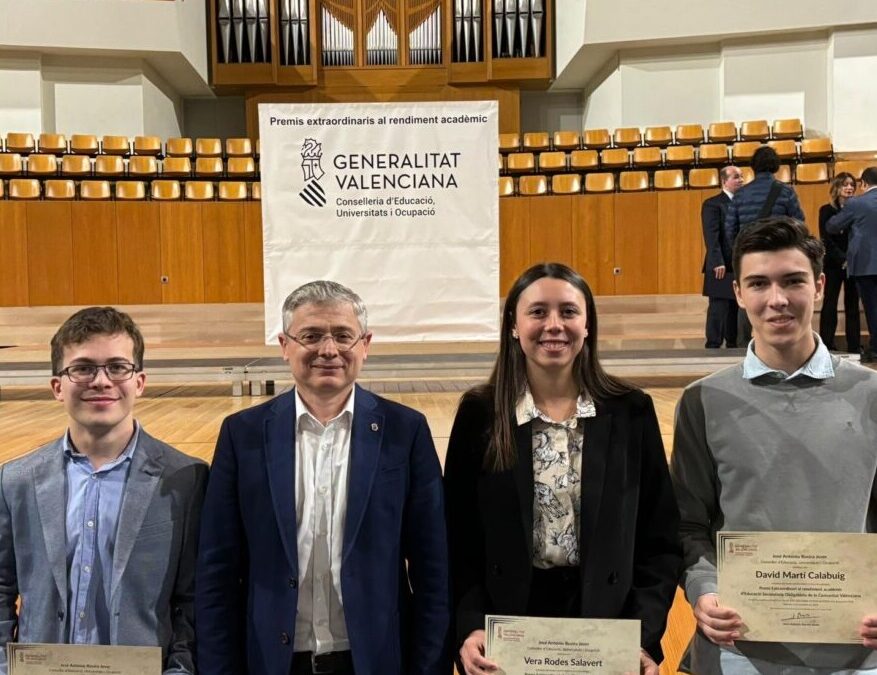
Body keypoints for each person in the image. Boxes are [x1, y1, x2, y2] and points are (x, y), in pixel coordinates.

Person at [195, 280, 450, 675]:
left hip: (374, 661)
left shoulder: (406, 432)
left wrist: (429, 665)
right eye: (311, 336)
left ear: (364, 345)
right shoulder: (241, 435)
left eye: (343, 336)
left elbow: (433, 568)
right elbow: (216, 570)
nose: (328, 350)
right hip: (271, 661)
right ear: (285, 345)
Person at [444, 262, 681, 675]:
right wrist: (469, 627)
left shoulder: (631, 411)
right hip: (507, 629)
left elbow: (658, 541)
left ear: (587, 324)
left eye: (568, 312)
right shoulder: (480, 414)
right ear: (514, 326)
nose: (554, 325)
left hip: (607, 624)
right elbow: (458, 539)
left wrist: (642, 638)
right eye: (538, 312)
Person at [671, 217, 877, 674]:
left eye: (793, 281)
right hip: (739, 649)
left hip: (857, 649)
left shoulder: (872, 395)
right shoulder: (703, 400)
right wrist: (704, 590)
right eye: (759, 284)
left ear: (820, 286)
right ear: (740, 294)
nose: (777, 300)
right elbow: (686, 524)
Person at [0, 307, 207, 675]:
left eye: (117, 367)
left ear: (139, 382)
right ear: (57, 387)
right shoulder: (15, 480)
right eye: (82, 368)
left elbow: (192, 600)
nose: (101, 381)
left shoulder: (186, 479)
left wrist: (180, 669)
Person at [725, 146, 806, 346]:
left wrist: (742, 249)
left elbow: (729, 228)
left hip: (750, 253)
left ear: (754, 166)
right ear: (775, 166)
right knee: (780, 295)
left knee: (749, 295)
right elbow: (800, 224)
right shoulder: (785, 191)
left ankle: (744, 345)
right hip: (779, 253)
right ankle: (781, 339)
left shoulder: (741, 195)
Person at [827, 166, 877, 363]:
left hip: (866, 265)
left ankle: (875, 349)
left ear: (863, 184)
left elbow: (833, 226)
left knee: (873, 307)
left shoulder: (857, 203)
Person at [702, 165, 745, 348]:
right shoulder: (713, 204)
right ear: (724, 181)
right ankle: (713, 345)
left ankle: (732, 346)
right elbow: (712, 236)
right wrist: (717, 261)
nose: (741, 180)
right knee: (718, 308)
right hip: (720, 263)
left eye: (742, 177)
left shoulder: (743, 203)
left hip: (738, 263)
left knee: (735, 308)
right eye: (736, 177)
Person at [818, 172, 861, 353]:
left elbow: (859, 236)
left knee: (852, 305)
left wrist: (850, 259)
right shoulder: (826, 210)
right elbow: (826, 239)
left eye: (852, 184)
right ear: (837, 188)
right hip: (834, 264)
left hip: (854, 263)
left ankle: (854, 346)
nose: (849, 188)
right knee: (830, 303)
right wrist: (842, 259)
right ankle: (826, 344)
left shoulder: (858, 209)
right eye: (845, 185)